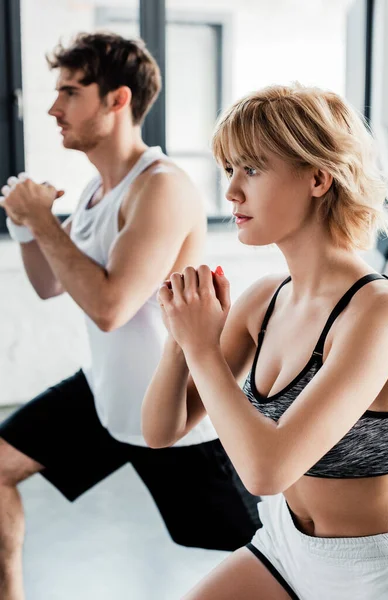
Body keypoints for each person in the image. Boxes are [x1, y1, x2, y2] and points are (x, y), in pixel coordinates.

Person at [0, 32, 261, 600]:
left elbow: (109, 306)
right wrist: (27, 225)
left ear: (118, 100)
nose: (52, 109)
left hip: (176, 418)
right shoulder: (99, 189)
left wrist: (42, 222)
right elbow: (50, 284)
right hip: (104, 399)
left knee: (269, 557)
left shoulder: (161, 187)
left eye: (70, 92)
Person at [141, 83, 388, 599]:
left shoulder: (380, 314)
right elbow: (160, 430)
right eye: (229, 171)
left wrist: (201, 349)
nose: (231, 192)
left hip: (373, 569)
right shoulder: (264, 300)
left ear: (318, 179)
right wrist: (181, 336)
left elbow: (268, 468)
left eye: (251, 170)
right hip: (285, 544)